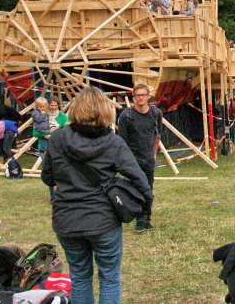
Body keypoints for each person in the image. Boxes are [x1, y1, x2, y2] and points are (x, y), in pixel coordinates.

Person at [42, 86, 152, 304]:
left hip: (67, 218)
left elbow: (47, 177)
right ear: (105, 110)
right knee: (109, 277)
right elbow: (141, 180)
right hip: (103, 221)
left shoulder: (58, 138)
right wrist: (143, 206)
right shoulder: (112, 142)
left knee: (80, 276)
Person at [117, 82, 162, 233]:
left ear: (148, 96)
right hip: (132, 159)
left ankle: (146, 218)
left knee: (148, 189)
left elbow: (157, 135)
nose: (141, 98)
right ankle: (139, 219)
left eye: (143, 95)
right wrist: (126, 160)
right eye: (138, 95)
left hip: (148, 157)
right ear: (134, 97)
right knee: (135, 189)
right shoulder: (126, 116)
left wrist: (154, 153)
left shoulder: (155, 113)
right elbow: (121, 141)